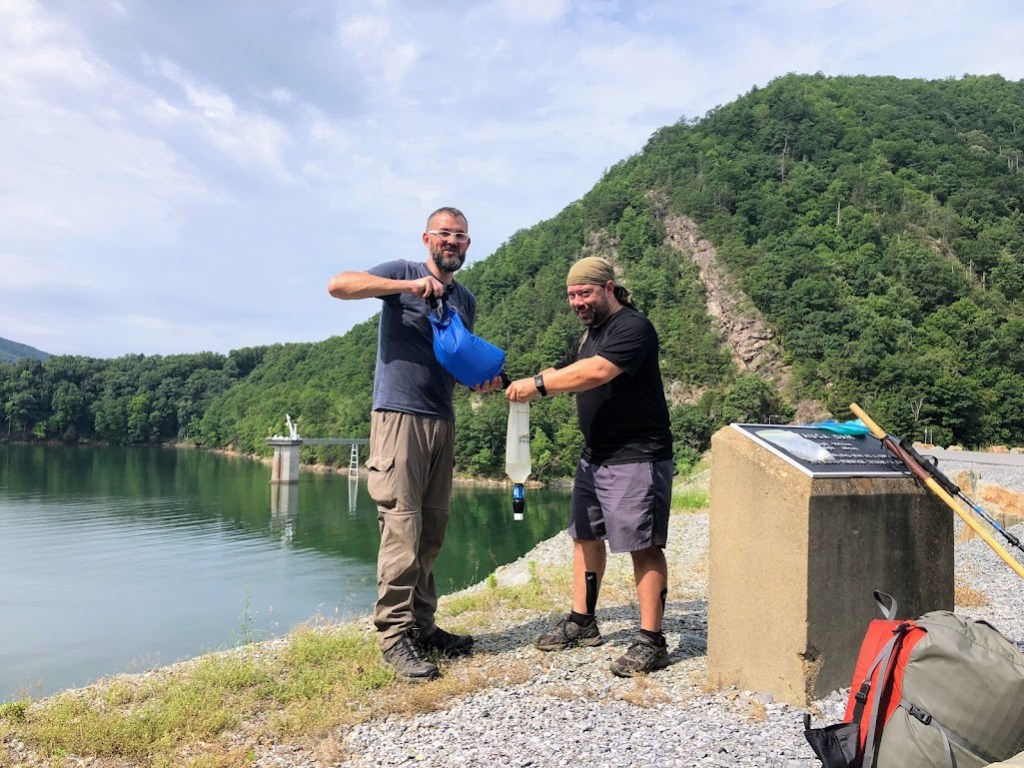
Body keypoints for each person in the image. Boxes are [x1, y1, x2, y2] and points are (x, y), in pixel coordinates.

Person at [328, 206, 502, 681]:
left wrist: (480, 381)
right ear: (427, 238)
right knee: (401, 529)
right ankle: (394, 636)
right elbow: (339, 285)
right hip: (399, 417)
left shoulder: (464, 298)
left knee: (432, 531)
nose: (452, 242)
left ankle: (423, 627)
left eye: (460, 236)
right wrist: (406, 288)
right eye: (444, 234)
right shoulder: (401, 274)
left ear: (468, 245)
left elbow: (454, 357)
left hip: (442, 419)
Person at [505, 256, 674, 677]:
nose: (578, 302)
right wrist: (512, 381)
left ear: (609, 288)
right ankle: (583, 622)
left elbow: (596, 373)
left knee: (643, 545)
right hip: (593, 456)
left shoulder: (633, 327)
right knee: (584, 538)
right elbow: (564, 369)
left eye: (585, 293)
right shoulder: (588, 335)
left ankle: (652, 641)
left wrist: (539, 386)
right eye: (572, 295)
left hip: (637, 455)